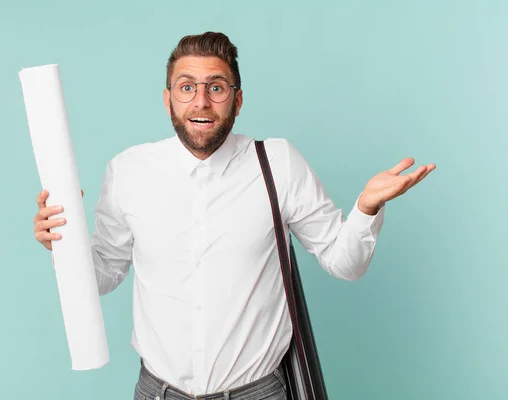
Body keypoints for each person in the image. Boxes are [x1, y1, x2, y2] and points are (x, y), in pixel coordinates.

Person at [33, 32, 435, 400]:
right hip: (157, 392)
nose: (201, 101)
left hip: (257, 393)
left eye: (217, 88)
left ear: (237, 100)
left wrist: (366, 207)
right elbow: (103, 273)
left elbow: (343, 263)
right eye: (187, 87)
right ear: (167, 98)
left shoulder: (278, 163)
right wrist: (62, 244)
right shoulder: (128, 170)